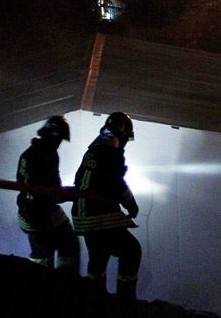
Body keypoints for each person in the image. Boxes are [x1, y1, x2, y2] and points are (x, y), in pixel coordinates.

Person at [73, 111, 142, 300]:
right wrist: (131, 204)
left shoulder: (93, 149)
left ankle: (96, 297)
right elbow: (116, 183)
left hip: (82, 216)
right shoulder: (112, 150)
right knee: (132, 251)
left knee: (98, 255)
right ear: (122, 132)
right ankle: (125, 301)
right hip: (98, 215)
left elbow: (79, 179)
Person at [16, 115, 80, 274]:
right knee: (68, 244)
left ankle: (44, 286)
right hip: (41, 213)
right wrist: (75, 193)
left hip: (26, 212)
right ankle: (67, 282)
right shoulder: (48, 154)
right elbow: (53, 192)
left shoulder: (28, 153)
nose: (59, 145)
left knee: (43, 251)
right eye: (60, 140)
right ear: (56, 136)